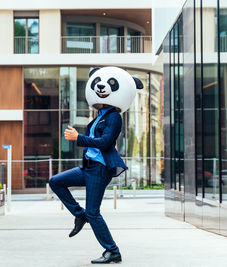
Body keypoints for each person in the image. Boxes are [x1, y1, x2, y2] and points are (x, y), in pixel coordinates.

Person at [48, 67, 143, 264]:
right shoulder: (99, 114)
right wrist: (80, 136)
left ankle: (113, 251)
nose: (101, 87)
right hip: (88, 167)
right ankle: (79, 215)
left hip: (100, 169)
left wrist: (78, 137)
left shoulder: (114, 117)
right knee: (56, 182)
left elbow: (106, 142)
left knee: (94, 212)